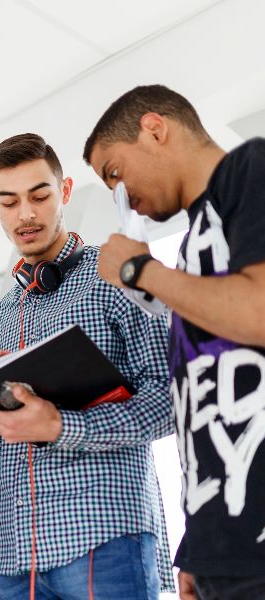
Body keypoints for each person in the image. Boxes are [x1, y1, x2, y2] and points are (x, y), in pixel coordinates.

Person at [0, 133, 175, 599]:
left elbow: (171, 403)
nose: (27, 214)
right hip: (17, 555)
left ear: (66, 191)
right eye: (9, 202)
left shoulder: (121, 273)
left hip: (105, 537)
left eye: (40, 195)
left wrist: (59, 425)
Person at [85, 84, 265, 600]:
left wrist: (140, 270)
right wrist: (197, 544)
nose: (121, 196)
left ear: (154, 128)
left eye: (115, 173)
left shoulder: (250, 167)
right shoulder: (192, 250)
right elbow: (203, 403)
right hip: (220, 550)